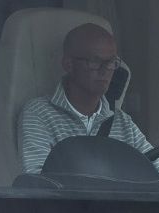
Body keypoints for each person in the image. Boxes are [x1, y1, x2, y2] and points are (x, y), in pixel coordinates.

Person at [17, 20, 150, 175]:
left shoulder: (122, 122)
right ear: (68, 64)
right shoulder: (39, 114)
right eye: (95, 62)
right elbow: (38, 181)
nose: (105, 70)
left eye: (111, 62)